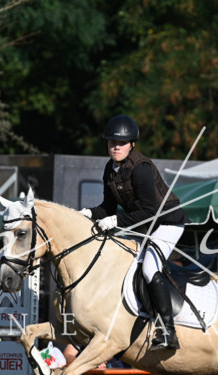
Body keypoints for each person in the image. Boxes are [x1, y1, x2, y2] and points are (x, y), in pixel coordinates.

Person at [80, 114, 188, 351]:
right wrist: (86, 213)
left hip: (167, 222)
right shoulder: (110, 169)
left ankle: (168, 332)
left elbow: (150, 211)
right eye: (111, 143)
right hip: (144, 225)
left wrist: (115, 220)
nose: (115, 147)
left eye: (121, 143)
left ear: (132, 145)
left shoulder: (141, 169)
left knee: (149, 268)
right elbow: (107, 207)